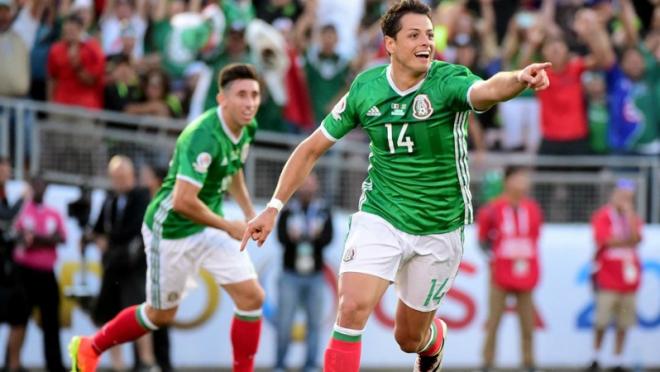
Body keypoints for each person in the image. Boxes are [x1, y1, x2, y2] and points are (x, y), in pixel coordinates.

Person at [241, 1, 551, 371]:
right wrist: (273, 207)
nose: (426, 42)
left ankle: (433, 340)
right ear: (389, 44)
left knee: (409, 339)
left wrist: (518, 79)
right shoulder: (366, 88)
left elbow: (486, 90)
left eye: (430, 35)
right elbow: (311, 148)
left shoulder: (448, 80)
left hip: (439, 224)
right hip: (381, 214)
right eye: (414, 35)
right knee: (351, 308)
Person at [68, 63, 265, 372]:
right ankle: (90, 347)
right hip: (171, 228)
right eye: (242, 95)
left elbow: (233, 168)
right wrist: (229, 224)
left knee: (252, 297)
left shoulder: (247, 126)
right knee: (160, 315)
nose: (250, 102)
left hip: (209, 225)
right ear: (221, 99)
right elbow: (183, 201)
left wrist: (251, 213)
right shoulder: (201, 136)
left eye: (254, 94)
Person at [91, 155, 156, 372]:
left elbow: (136, 227)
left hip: (133, 266)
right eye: (116, 176)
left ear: (132, 175)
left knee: (138, 313)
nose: (120, 180)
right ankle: (118, 366)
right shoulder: (109, 200)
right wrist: (95, 237)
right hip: (112, 267)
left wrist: (109, 240)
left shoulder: (141, 196)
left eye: (124, 175)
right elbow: (98, 228)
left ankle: (146, 361)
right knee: (107, 316)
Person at [476, 166, 544, 372]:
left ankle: (529, 361)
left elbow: (535, 236)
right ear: (508, 181)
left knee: (528, 321)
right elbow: (482, 239)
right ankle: (487, 362)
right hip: (500, 272)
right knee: (494, 319)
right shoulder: (493, 208)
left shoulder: (532, 208)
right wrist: (495, 258)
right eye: (519, 178)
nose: (524, 182)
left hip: (526, 271)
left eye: (525, 178)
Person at [274, 173, 333, 372]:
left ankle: (310, 365)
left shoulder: (323, 210)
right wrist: (294, 238)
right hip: (290, 274)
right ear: (298, 186)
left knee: (314, 324)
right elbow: (281, 238)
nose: (307, 188)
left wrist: (313, 238)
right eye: (304, 183)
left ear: (316, 186)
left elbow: (328, 238)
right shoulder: (288, 210)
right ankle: (280, 364)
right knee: (284, 323)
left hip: (315, 276)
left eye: (311, 183)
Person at [12, 175, 67, 372]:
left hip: (46, 274)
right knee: (19, 320)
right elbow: (18, 236)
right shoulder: (21, 210)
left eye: (42, 185)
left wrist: (37, 239)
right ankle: (12, 363)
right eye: (35, 185)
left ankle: (54, 365)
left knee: (51, 322)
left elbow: (60, 237)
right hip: (24, 274)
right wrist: (44, 239)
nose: (38, 188)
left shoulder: (54, 213)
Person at [588, 179, 643, 372]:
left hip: (628, 280)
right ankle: (595, 358)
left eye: (628, 198)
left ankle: (617, 360)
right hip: (607, 278)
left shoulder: (632, 217)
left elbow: (636, 239)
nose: (624, 201)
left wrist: (629, 218)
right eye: (622, 196)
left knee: (624, 322)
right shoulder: (603, 216)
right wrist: (626, 240)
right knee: (601, 321)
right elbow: (606, 241)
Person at [0, 157, 30, 372]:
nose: (7, 173)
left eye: (8, 169)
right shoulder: (11, 201)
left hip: (9, 271)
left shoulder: (5, 196)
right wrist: (23, 201)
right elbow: (5, 219)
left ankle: (13, 365)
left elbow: (7, 231)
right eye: (3, 169)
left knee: (19, 316)